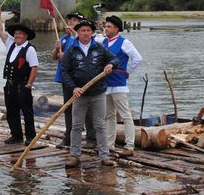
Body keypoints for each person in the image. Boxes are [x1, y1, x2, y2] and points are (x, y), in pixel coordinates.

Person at [61, 19, 119, 167]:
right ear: (78, 33)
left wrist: (110, 64)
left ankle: (104, 156)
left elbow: (115, 58)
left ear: (92, 32)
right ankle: (75, 156)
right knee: (76, 126)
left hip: (98, 93)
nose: (85, 33)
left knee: (100, 125)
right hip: (79, 94)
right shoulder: (71, 50)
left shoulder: (99, 48)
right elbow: (64, 72)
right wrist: (73, 87)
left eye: (88, 30)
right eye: (82, 31)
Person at [97, 15, 142, 157]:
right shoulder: (103, 42)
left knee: (125, 115)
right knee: (108, 116)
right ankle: (110, 144)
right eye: (105, 26)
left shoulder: (124, 43)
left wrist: (128, 72)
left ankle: (129, 146)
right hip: (105, 84)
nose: (106, 29)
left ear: (116, 29)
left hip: (118, 84)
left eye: (109, 27)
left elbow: (137, 58)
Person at [52, 12, 96, 149]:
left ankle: (91, 138)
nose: (70, 22)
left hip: (79, 78)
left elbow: (73, 57)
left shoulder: (81, 40)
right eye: (70, 20)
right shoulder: (65, 38)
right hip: (66, 78)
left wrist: (62, 54)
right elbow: (55, 57)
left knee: (87, 108)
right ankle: (69, 137)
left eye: (74, 20)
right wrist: (57, 48)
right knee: (68, 108)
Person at [0, 7, 38, 145]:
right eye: (16, 33)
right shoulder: (11, 44)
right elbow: (0, 31)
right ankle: (16, 135)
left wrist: (29, 84)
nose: (17, 35)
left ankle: (30, 137)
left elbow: (34, 68)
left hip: (23, 84)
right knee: (11, 111)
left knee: (27, 112)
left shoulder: (29, 49)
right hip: (10, 84)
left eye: (20, 33)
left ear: (25, 35)